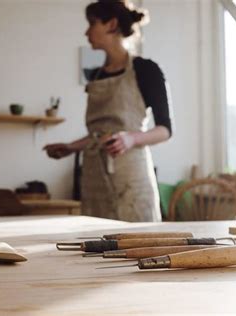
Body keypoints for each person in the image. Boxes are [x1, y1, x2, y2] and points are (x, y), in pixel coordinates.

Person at [44, 0, 173, 222]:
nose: (87, 32)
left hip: (131, 174)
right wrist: (70, 148)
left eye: (92, 23)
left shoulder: (146, 70)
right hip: (94, 176)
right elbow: (99, 133)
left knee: (135, 244)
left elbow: (165, 130)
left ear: (111, 24)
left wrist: (132, 138)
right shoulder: (95, 76)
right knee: (97, 242)